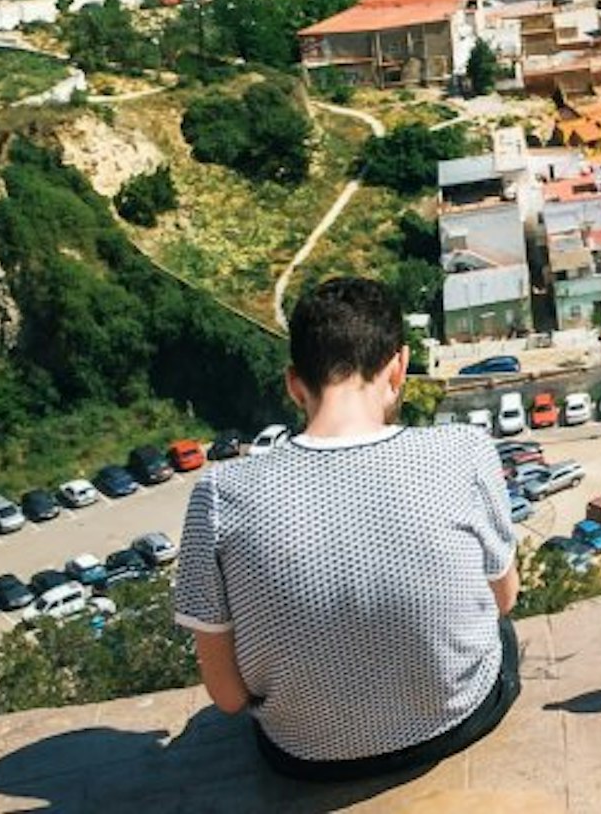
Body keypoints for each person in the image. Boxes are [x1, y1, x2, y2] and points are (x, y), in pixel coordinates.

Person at [173, 276, 520, 781]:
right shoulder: (461, 451)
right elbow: (504, 599)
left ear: (295, 385)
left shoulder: (220, 494)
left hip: (304, 757)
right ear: (398, 367)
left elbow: (227, 697)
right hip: (459, 719)